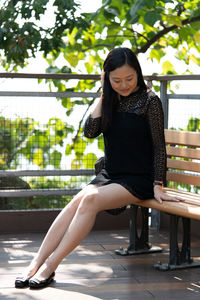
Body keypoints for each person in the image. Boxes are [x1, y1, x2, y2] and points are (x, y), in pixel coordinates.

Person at [15, 47, 182, 289]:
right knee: (78, 200)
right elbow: (90, 132)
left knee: (90, 198)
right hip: (111, 175)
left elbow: (159, 146)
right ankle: (35, 263)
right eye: (116, 80)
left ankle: (50, 266)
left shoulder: (150, 101)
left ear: (138, 74)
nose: (123, 85)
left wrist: (158, 184)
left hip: (139, 178)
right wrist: (103, 94)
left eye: (129, 78)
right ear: (106, 78)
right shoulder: (110, 100)